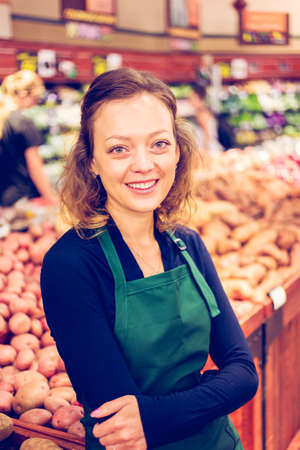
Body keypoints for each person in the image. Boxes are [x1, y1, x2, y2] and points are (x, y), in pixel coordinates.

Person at [41, 67, 258, 449]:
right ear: (91, 160)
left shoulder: (187, 244)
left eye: (159, 143)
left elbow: (244, 373)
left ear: (177, 150)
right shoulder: (71, 265)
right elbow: (120, 424)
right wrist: (212, 392)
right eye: (119, 148)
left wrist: (154, 416)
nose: (144, 164)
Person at [0, 70, 56, 206]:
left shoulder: (3, 119)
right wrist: (50, 198)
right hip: (21, 197)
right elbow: (35, 166)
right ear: (24, 95)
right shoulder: (23, 122)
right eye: (35, 99)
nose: (35, 104)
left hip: (4, 197)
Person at [189, 82, 223, 156]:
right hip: (209, 148)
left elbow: (206, 133)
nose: (190, 101)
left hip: (210, 150)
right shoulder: (202, 111)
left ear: (198, 98)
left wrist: (205, 150)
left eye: (192, 98)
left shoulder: (202, 113)